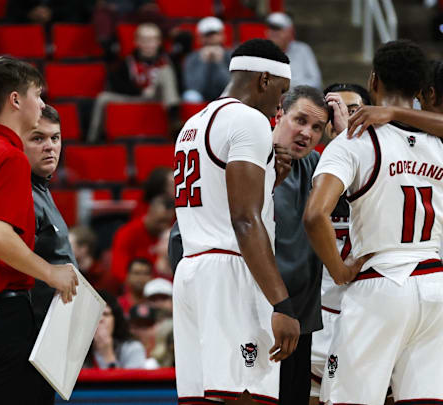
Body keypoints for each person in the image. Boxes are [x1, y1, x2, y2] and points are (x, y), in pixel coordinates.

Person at [304, 40, 443, 405]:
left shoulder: (355, 142)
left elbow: (315, 215)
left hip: (377, 283)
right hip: (434, 287)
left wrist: (340, 271)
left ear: (373, 81)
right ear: (423, 92)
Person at [172, 39, 299, 404]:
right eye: (281, 91)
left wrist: (271, 179)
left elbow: (214, 199)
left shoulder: (192, 124)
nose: (281, 104)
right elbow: (244, 219)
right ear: (263, 79)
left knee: (203, 398)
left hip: (193, 270)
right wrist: (281, 304)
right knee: (246, 397)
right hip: (230, 273)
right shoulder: (249, 120)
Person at [0, 55, 78, 403]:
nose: (42, 103)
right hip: (2, 313)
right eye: (38, 94)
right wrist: (50, 273)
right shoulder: (9, 155)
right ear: (16, 100)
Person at [271, 85, 337, 405]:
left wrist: (346, 135)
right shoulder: (246, 158)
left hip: (301, 322)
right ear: (279, 113)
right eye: (300, 120)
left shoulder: (316, 164)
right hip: (258, 317)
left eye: (317, 128)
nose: (307, 133)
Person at [308, 84, 369, 403]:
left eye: (354, 110)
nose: (344, 117)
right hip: (316, 314)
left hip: (372, 312)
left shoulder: (388, 166)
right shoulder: (303, 167)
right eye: (335, 110)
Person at [21, 105, 79, 405]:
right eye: (38, 138)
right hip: (27, 340)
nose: (50, 147)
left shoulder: (41, 189)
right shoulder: (23, 193)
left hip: (48, 339)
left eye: (55, 138)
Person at [87, 22, 181, 142]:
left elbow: (178, 84)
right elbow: (117, 84)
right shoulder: (127, 61)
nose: (149, 44)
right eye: (144, 40)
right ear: (136, 42)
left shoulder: (168, 60)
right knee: (102, 97)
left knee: (166, 71)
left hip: (160, 98)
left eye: (152, 40)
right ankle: (92, 140)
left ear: (159, 42)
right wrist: (140, 90)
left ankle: (174, 120)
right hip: (137, 96)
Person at [110, 194, 174, 284]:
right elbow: (118, 271)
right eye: (160, 221)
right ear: (150, 212)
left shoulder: (169, 236)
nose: (164, 226)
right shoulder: (128, 233)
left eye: (168, 221)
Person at [84, 290, 147, 369]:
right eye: (95, 314)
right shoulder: (77, 348)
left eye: (105, 314)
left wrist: (108, 355)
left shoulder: (132, 348)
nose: (100, 319)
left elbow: (132, 381)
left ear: (115, 320)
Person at [266, 12, 322, 88]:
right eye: (271, 29)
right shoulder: (261, 52)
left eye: (278, 29)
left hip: (300, 97)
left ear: (289, 31)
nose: (273, 33)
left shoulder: (303, 50)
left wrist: (290, 86)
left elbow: (316, 82)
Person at [182, 16, 232, 103]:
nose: (211, 38)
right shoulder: (192, 58)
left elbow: (231, 86)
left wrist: (218, 63)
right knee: (190, 96)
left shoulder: (230, 55)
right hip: (202, 98)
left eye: (215, 34)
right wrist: (203, 62)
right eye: (207, 35)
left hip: (225, 98)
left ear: (222, 36)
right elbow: (193, 88)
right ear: (200, 38)